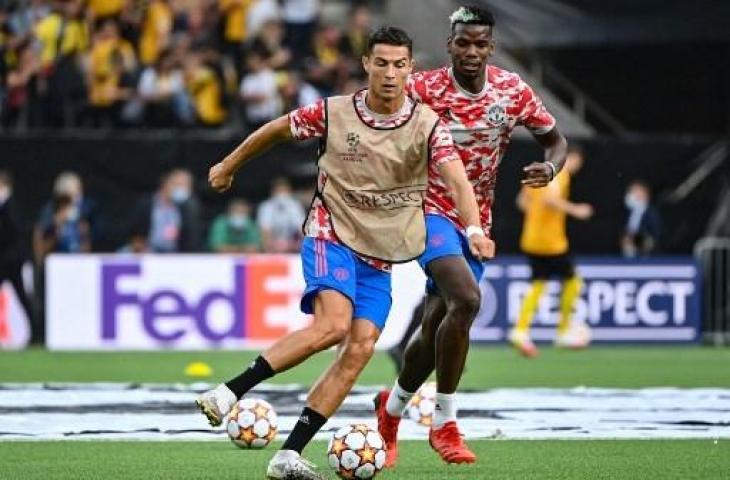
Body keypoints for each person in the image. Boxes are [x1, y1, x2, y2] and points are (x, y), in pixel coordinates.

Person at [196, 26, 492, 479]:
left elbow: (456, 179)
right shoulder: (335, 113)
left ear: (410, 69)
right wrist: (228, 164)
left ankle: (288, 455)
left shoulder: (427, 125)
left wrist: (472, 227)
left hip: (380, 252)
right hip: (330, 232)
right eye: (382, 63)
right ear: (366, 65)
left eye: (399, 65)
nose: (390, 73)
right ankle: (229, 391)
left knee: (361, 349)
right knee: (333, 326)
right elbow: (277, 129)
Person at [375, 5, 566, 467]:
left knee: (438, 322)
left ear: (492, 47)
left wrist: (551, 167)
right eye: (463, 42)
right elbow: (374, 116)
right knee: (467, 299)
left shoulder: (511, 91)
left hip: (476, 219)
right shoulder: (422, 88)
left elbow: (555, 140)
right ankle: (446, 423)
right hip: (427, 212)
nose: (472, 51)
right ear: (450, 45)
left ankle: (392, 408)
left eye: (480, 43)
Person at [509, 145, 594, 357]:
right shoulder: (560, 173)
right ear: (572, 158)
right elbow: (550, 199)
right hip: (551, 242)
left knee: (539, 283)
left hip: (531, 238)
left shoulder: (538, 172)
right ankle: (563, 331)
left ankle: (520, 330)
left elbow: (521, 202)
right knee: (573, 282)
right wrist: (576, 210)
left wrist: (537, 217)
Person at [0, 171, 37, 343]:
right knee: (23, 297)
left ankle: (36, 332)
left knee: (23, 297)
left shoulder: (10, 205)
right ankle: (36, 332)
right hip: (6, 261)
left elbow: (14, 232)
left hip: (11, 261)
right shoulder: (5, 206)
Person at [131, 169, 202, 253]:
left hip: (174, 255)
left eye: (186, 186)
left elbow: (192, 239)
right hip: (147, 252)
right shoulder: (147, 203)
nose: (182, 189)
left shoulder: (188, 209)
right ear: (166, 183)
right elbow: (135, 230)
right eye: (179, 184)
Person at [257, 178, 305, 253]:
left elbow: (302, 230)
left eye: (284, 190)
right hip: (272, 246)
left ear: (289, 192)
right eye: (279, 191)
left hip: (291, 245)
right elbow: (264, 232)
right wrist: (272, 246)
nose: (282, 193)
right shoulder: (266, 207)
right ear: (273, 192)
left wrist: (295, 245)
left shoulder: (295, 205)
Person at [621, 179, 660, 257]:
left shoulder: (652, 213)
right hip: (627, 253)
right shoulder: (627, 212)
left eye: (635, 191)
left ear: (644, 193)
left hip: (647, 254)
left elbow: (656, 236)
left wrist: (636, 240)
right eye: (630, 191)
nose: (631, 194)